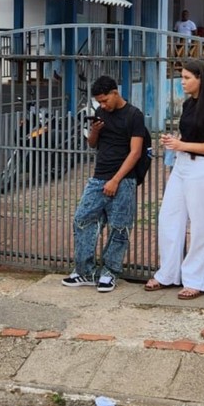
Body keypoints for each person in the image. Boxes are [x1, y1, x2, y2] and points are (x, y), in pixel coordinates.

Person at [146, 59, 204, 300]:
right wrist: (175, 142)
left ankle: (198, 279)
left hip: (203, 167)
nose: (182, 82)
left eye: (187, 78)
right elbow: (188, 134)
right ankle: (168, 273)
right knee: (169, 217)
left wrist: (183, 144)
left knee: (202, 224)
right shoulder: (188, 105)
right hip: (183, 164)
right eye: (181, 77)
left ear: (200, 79)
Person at [62, 76, 146, 293]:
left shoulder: (134, 115)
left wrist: (116, 180)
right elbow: (92, 144)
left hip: (124, 179)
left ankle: (109, 272)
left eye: (105, 100)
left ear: (115, 92)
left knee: (119, 226)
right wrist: (96, 131)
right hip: (99, 176)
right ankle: (85, 271)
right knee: (82, 218)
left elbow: (136, 152)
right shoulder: (100, 112)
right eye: (99, 101)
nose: (103, 105)